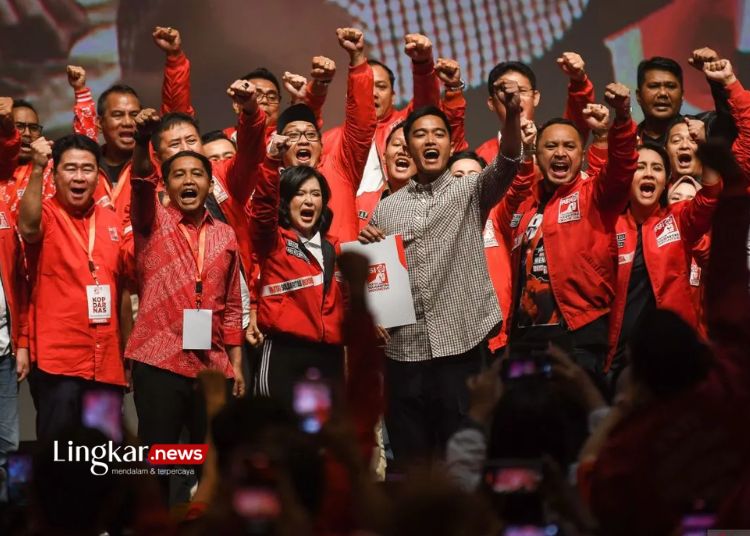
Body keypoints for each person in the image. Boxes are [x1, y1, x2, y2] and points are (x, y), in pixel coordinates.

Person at [357, 83, 523, 464]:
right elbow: (375, 279)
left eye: (438, 134)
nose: (429, 141)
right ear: (408, 147)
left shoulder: (470, 191)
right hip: (403, 351)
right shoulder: (387, 208)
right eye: (419, 134)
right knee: (414, 462)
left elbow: (510, 160)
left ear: (450, 145)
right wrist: (368, 255)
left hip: (460, 347)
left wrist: (512, 116)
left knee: (461, 458)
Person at [126, 148, 245, 505]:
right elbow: (141, 181)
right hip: (159, 359)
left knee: (213, 461)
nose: (189, 180)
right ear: (166, 184)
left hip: (211, 364)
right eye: (179, 174)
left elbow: (233, 305)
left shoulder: (225, 235)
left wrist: (236, 364)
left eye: (197, 174)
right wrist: (144, 141)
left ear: (210, 184)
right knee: (159, 462)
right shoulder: (152, 221)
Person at [507, 84, 637, 384]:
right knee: (528, 416)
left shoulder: (595, 194)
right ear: (537, 154)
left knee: (575, 420)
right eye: (550, 147)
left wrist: (623, 117)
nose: (560, 153)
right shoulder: (526, 202)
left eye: (569, 146)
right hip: (525, 339)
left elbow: (623, 166)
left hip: (578, 332)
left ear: (582, 153)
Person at [18, 134, 132, 441]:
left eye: (87, 168)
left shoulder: (110, 220)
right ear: (56, 175)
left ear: (98, 175)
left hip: (106, 361)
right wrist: (37, 168)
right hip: (60, 362)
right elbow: (27, 228)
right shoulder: (46, 214)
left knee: (102, 458)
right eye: (70, 169)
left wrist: (127, 351)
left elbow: (121, 290)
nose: (79, 177)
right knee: (59, 456)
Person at [606, 143, 721, 379]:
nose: (648, 173)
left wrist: (708, 143)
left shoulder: (679, 219)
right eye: (640, 167)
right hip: (617, 358)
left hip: (671, 355)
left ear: (666, 181)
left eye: (657, 168)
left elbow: (709, 196)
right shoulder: (608, 226)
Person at [249, 134, 345, 404]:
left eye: (315, 194)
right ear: (286, 201)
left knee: (322, 440)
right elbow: (263, 211)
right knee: (279, 436)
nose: (308, 201)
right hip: (284, 353)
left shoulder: (334, 249)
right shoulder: (274, 241)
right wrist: (270, 163)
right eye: (300, 193)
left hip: (328, 356)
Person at [274, 27, 376, 243]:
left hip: (341, 275)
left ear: (322, 145)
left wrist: (357, 59)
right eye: (293, 136)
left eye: (311, 135)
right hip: (292, 274)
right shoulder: (270, 185)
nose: (303, 140)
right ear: (280, 145)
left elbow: (362, 123)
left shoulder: (339, 169)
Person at [476, 54, 595, 162]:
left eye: (521, 91)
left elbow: (578, 121)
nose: (515, 99)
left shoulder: (557, 145)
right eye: (506, 94)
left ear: (536, 97)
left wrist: (579, 82)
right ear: (492, 103)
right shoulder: (482, 156)